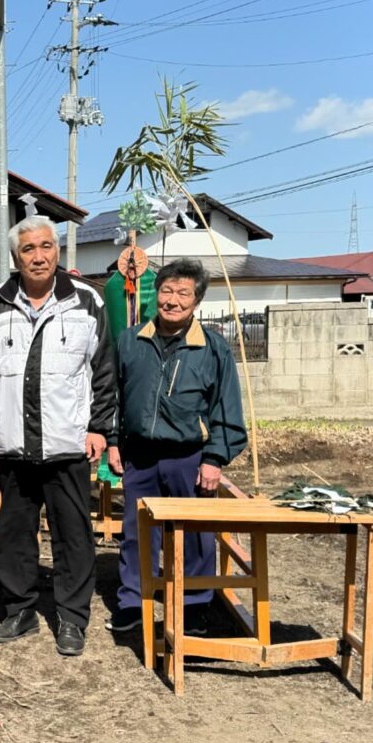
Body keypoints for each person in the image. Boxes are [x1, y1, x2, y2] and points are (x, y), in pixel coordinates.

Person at [0, 215, 116, 657]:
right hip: (12, 442)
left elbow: (104, 369)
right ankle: (20, 610)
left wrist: (99, 427)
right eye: (28, 249)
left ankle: (72, 617)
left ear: (57, 251)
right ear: (16, 257)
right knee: (14, 533)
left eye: (46, 246)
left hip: (67, 442)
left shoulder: (86, 301)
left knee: (73, 534)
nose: (38, 256)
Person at [104, 258, 247, 635]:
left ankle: (194, 605)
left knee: (196, 534)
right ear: (156, 294)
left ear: (196, 301)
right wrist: (113, 441)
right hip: (140, 456)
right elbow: (113, 396)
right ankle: (132, 601)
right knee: (137, 532)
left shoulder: (212, 348)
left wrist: (214, 458)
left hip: (190, 458)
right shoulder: (130, 341)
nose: (172, 300)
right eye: (166, 290)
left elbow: (226, 407)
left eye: (183, 293)